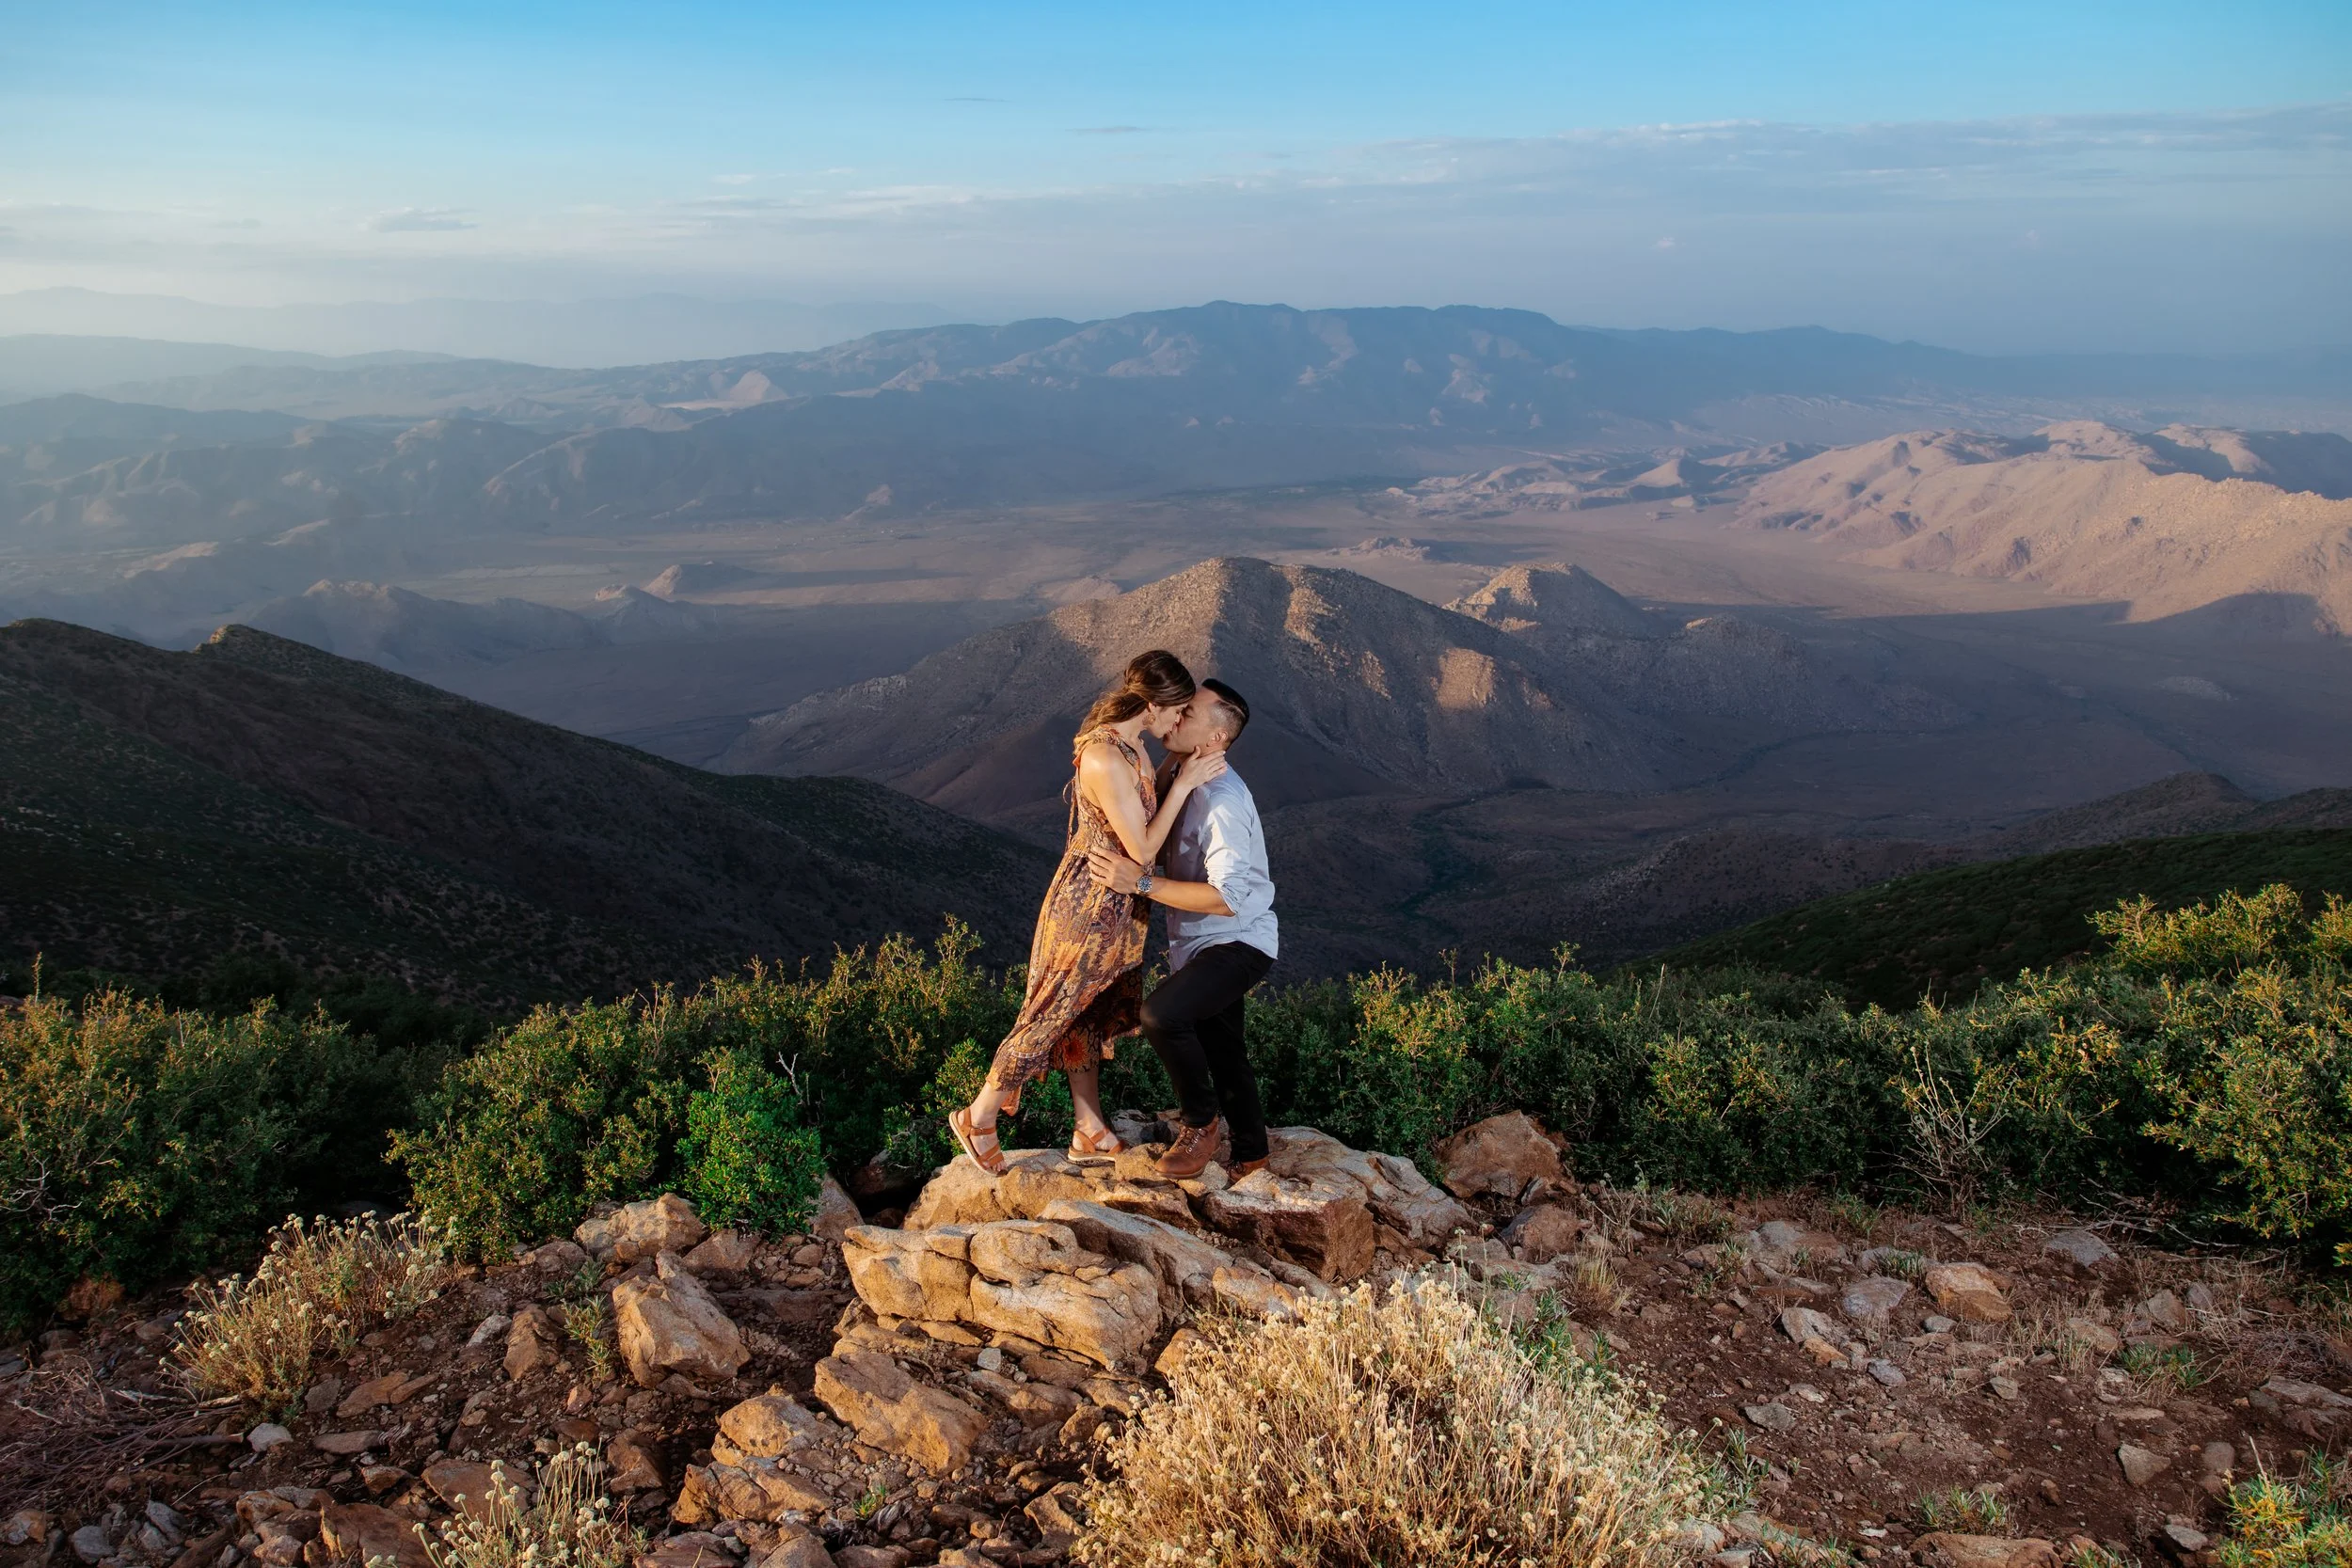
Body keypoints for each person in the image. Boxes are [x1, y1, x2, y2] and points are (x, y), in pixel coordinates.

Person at [948, 650, 1229, 1175]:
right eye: (1177, 710)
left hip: (1122, 908)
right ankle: (980, 1116)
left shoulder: (1132, 747)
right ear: (1153, 704)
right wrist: (1187, 783)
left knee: (1089, 1015)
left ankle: (1089, 1128)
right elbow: (1142, 850)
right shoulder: (1105, 755)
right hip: (1090, 906)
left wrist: (1179, 769)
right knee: (1051, 1010)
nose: (1179, 721)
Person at [1085, 677, 1278, 1180]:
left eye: (1189, 712)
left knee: (1162, 1015)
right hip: (1199, 942)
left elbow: (1229, 899)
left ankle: (1201, 1125)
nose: (1177, 714)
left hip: (1238, 939)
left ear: (1214, 740)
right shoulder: (1177, 771)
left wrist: (1141, 883)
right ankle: (1252, 1153)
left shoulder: (1223, 801)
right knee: (1223, 1045)